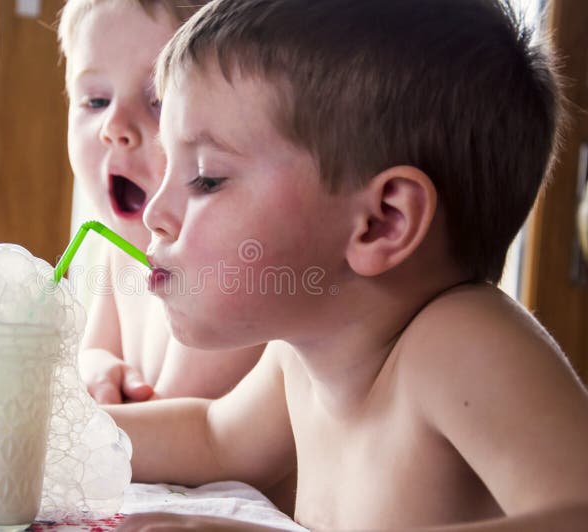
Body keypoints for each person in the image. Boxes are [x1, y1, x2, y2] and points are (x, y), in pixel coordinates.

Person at [106, 0, 588, 530]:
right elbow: (212, 438)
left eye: (206, 178)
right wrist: (34, 429)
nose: (155, 214)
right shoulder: (300, 359)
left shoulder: (460, 344)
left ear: (383, 221)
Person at [0, 0, 264, 464]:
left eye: (157, 100)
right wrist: (95, 370)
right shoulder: (116, 249)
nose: (114, 127)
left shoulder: (223, 263)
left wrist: (0, 423)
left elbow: (180, 425)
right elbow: (93, 353)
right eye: (95, 100)